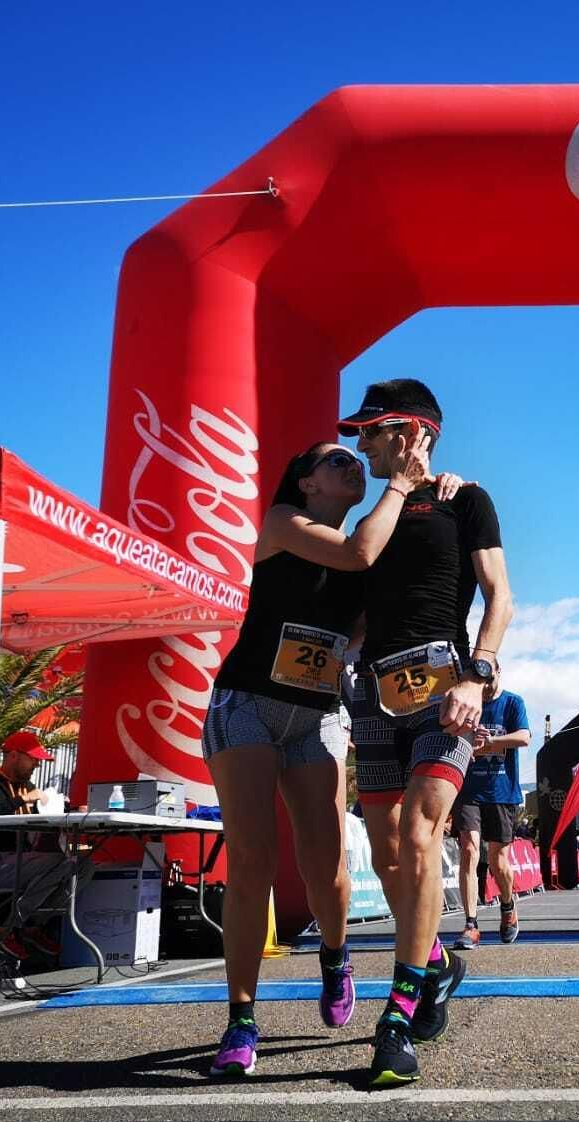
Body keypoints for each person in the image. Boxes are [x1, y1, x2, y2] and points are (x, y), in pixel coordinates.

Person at [200, 433, 442, 1077]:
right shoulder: (284, 522)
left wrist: (441, 488)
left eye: (355, 460)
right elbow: (360, 550)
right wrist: (400, 483)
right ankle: (241, 1019)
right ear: (306, 481)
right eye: (336, 461)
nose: (352, 464)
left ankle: (334, 957)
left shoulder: (370, 547)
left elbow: (378, 592)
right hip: (247, 703)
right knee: (252, 859)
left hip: (317, 715)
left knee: (326, 866)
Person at [340, 379, 513, 1088]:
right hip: (375, 695)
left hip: (446, 693)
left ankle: (397, 1017)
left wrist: (479, 675)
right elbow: (357, 593)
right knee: (388, 861)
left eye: (371, 431)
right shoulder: (379, 509)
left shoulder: (465, 499)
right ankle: (437, 966)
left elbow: (500, 594)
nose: (361, 443)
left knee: (420, 836)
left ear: (411, 431)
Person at [0, 730, 92, 960]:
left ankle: (32, 924)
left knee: (85, 865)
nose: (37, 765)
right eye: (33, 759)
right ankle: (8, 926)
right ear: (13, 756)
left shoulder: (27, 785)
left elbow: (37, 817)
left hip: (22, 859)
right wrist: (22, 800)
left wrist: (68, 811)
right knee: (59, 862)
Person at [451, 667, 530, 948]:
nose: (484, 688)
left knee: (498, 861)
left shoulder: (512, 702)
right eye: (479, 682)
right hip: (468, 789)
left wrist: (491, 741)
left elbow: (524, 737)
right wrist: (469, 743)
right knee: (470, 849)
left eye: (489, 681)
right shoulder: (466, 702)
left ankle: (508, 907)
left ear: (498, 672)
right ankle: (470, 924)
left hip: (501, 791)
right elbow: (449, 735)